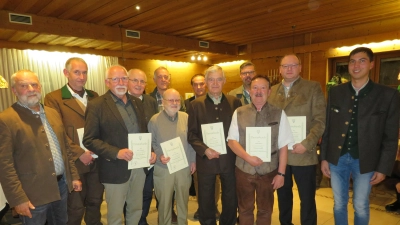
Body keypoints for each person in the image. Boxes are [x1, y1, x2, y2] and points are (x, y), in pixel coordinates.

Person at [321, 47, 400, 225]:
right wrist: (324, 158)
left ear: (371, 64)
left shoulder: (388, 95)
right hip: (337, 158)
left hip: (366, 160)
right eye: (352, 61)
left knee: (361, 204)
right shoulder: (336, 92)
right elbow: (328, 128)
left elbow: (390, 136)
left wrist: (383, 167)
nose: (356, 65)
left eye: (362, 60)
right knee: (339, 203)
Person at [0, 70, 82, 224]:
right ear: (14, 91)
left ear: (40, 87)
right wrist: (18, 199)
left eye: (34, 84)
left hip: (60, 188)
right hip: (32, 194)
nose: (31, 89)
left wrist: (74, 175)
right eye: (24, 85)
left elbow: (65, 148)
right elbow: (5, 165)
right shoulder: (6, 120)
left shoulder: (52, 113)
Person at [83, 65, 156, 225]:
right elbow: (89, 139)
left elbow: (143, 132)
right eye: (115, 79)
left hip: (139, 166)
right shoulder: (97, 105)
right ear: (107, 82)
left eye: (124, 78)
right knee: (115, 215)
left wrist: (150, 151)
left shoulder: (137, 102)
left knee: (136, 209)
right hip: (114, 168)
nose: (121, 82)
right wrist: (116, 152)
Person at [44, 57, 104, 225]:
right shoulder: (53, 98)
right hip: (74, 162)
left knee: (95, 201)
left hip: (96, 160)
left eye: (84, 72)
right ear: (66, 73)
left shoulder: (95, 96)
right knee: (75, 207)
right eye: (76, 72)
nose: (81, 77)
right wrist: (80, 153)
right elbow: (56, 132)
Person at [227, 75, 293, 225]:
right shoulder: (239, 112)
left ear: (269, 92)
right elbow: (232, 141)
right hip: (244, 170)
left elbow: (284, 145)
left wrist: (281, 174)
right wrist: (248, 158)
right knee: (244, 209)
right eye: (255, 88)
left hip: (269, 171)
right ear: (249, 91)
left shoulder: (279, 113)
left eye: (263, 88)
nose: (258, 91)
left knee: (265, 210)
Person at [268, 54, 326, 225]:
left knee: (307, 199)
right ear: (280, 70)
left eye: (293, 65)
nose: (289, 69)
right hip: (280, 155)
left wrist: (307, 144)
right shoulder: (272, 91)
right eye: (285, 66)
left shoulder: (312, 87)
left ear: (300, 67)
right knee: (283, 197)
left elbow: (320, 120)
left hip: (303, 154)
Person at [187, 65, 242, 225]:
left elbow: (240, 131)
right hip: (206, 160)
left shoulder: (235, 102)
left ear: (224, 81)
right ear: (205, 82)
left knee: (231, 197)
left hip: (230, 159)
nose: (215, 83)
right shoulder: (195, 105)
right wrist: (205, 150)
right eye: (211, 79)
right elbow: (191, 134)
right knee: (205, 199)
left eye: (219, 79)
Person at [148, 88, 196, 225]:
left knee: (183, 201)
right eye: (171, 100)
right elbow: (152, 143)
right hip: (163, 168)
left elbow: (192, 141)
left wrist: (193, 161)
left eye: (177, 100)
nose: (174, 103)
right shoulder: (154, 120)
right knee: (164, 203)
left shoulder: (186, 117)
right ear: (163, 102)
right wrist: (159, 155)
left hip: (183, 167)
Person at [185, 74, 221, 220]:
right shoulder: (187, 103)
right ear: (192, 86)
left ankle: (215, 207)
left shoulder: (213, 101)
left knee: (216, 179)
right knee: (198, 180)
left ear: (205, 84)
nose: (199, 87)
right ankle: (202, 207)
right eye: (195, 84)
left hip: (213, 146)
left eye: (201, 84)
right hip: (195, 147)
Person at [127, 68, 158, 225]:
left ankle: (142, 219)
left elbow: (155, 128)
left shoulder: (151, 101)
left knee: (146, 192)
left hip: (148, 157)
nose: (139, 84)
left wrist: (154, 151)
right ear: (127, 81)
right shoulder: (121, 101)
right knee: (130, 194)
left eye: (142, 81)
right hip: (128, 158)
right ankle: (131, 221)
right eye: (135, 80)